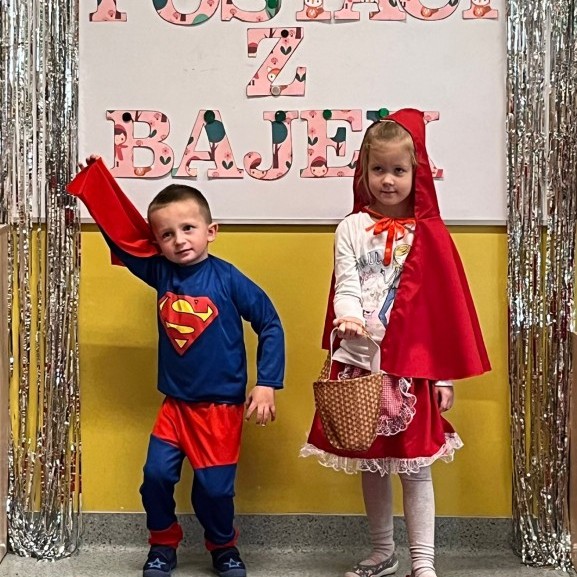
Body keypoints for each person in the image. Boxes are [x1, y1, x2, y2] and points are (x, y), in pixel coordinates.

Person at [67, 157, 285, 577]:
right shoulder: (161, 272)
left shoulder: (228, 279)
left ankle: (223, 546)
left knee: (215, 491)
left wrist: (267, 383)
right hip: (175, 407)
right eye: (166, 234)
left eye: (188, 228)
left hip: (220, 411)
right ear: (158, 241)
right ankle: (163, 544)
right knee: (154, 477)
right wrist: (97, 187)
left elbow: (270, 322)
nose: (179, 240)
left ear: (211, 231)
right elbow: (124, 239)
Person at [301, 108, 491, 577]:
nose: (388, 180)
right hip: (362, 360)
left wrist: (443, 376)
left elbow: (440, 313)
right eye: (378, 169)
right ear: (363, 172)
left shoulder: (429, 234)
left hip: (413, 366)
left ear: (416, 173)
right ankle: (383, 551)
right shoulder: (351, 228)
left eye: (399, 170)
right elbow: (346, 282)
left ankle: (423, 561)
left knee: (415, 466)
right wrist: (348, 317)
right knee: (373, 464)